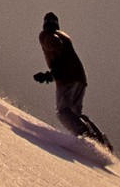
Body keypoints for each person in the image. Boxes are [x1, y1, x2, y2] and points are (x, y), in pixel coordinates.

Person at [34, 11, 112, 149]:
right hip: (80, 77)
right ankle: (100, 139)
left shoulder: (46, 35)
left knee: (63, 112)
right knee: (75, 113)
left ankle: (86, 137)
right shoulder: (64, 36)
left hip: (67, 79)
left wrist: (50, 74)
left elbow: (58, 53)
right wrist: (51, 74)